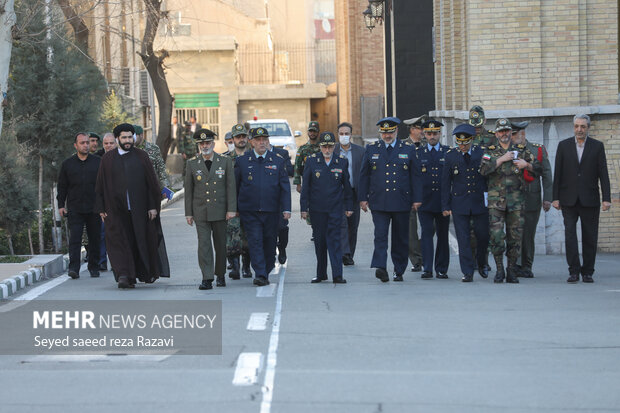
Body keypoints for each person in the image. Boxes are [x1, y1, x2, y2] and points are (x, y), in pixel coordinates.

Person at [95, 123, 170, 289]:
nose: (128, 141)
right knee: (119, 242)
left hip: (140, 210)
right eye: (124, 138)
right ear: (117, 139)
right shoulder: (108, 159)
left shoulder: (142, 156)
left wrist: (152, 206)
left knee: (138, 241)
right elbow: (100, 185)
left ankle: (137, 273)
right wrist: (101, 208)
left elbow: (152, 184)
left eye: (130, 137)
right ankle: (124, 275)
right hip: (115, 210)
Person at [358, 117, 422, 282]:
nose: (387, 136)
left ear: (396, 132)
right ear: (380, 133)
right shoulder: (372, 149)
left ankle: (398, 269)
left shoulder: (407, 149)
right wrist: (362, 198)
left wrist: (417, 198)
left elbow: (415, 176)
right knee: (380, 235)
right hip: (379, 201)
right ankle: (380, 267)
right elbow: (364, 175)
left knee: (400, 237)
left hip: (401, 201)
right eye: (384, 133)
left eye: (390, 132)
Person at [480, 118, 541, 284]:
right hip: (496, 204)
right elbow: (483, 170)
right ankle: (499, 270)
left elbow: (539, 169)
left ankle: (511, 270)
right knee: (497, 237)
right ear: (497, 133)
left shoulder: (521, 151)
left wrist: (526, 165)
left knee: (515, 238)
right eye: (501, 131)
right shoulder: (490, 150)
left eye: (507, 131)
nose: (504, 134)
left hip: (516, 203)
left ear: (510, 133)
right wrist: (502, 159)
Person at [552, 114, 611, 283]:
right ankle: (574, 271)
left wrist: (606, 198)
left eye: (583, 127)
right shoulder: (563, 146)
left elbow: (603, 174)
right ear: (573, 127)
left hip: (590, 199)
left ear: (588, 128)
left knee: (590, 236)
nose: (579, 129)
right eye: (577, 126)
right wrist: (555, 198)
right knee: (570, 236)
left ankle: (588, 272)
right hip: (568, 199)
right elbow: (558, 174)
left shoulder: (597, 146)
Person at [234, 127, 291, 286]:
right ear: (251, 142)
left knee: (269, 242)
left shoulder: (278, 160)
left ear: (268, 141)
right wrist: (235, 209)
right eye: (258, 140)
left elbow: (285, 187)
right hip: (250, 211)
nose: (261, 142)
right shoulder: (242, 161)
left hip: (272, 210)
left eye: (264, 140)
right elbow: (236, 187)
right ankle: (260, 273)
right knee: (255, 241)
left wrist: (286, 208)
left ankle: (265, 269)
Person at [185, 129, 236, 290]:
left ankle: (220, 274)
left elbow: (230, 187)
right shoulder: (192, 163)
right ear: (199, 145)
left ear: (213, 144)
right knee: (204, 245)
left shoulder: (225, 161)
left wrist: (231, 209)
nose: (205, 146)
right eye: (202, 143)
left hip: (220, 210)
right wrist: (189, 213)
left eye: (207, 143)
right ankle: (207, 277)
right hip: (201, 211)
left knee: (220, 245)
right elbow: (189, 191)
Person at [301, 132, 353, 283]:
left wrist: (349, 206)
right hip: (317, 210)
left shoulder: (341, 162)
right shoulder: (311, 161)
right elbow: (306, 187)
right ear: (320, 147)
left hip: (335, 209)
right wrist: (304, 208)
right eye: (324, 147)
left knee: (335, 242)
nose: (327, 150)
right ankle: (321, 273)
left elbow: (347, 186)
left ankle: (337, 274)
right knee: (320, 243)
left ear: (334, 146)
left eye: (330, 146)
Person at [441, 124, 489, 282]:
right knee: (463, 238)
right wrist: (445, 205)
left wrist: (490, 201)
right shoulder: (451, 156)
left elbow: (487, 179)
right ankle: (467, 271)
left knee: (483, 236)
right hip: (459, 202)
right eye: (460, 142)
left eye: (466, 142)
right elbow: (446, 183)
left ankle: (482, 263)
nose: (462, 145)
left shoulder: (481, 153)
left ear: (472, 140)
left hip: (479, 202)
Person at [57, 132, 102, 279]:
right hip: (75, 208)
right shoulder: (68, 164)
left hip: (94, 208)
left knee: (95, 239)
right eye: (82, 143)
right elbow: (62, 186)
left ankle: (94, 267)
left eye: (87, 143)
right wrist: (61, 205)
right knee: (75, 240)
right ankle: (74, 269)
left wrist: (104, 205)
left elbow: (103, 185)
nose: (86, 145)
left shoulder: (97, 162)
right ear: (75, 145)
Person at [511, 121, 552, 278]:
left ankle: (526, 266)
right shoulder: (507, 150)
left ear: (523, 134)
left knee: (528, 234)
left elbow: (546, 173)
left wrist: (548, 198)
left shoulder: (537, 149)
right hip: (512, 198)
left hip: (531, 197)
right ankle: (513, 265)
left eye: (515, 134)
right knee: (513, 233)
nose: (513, 137)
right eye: (512, 134)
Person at [417, 119, 451, 279]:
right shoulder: (418, 153)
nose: (432, 136)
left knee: (443, 235)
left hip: (443, 201)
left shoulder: (447, 152)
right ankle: (427, 268)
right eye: (429, 133)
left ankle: (442, 268)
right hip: (424, 201)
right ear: (424, 134)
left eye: (435, 133)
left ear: (440, 134)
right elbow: (414, 178)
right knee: (426, 233)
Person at [226, 124, 253, 279]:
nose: (241, 140)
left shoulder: (253, 157)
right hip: (231, 205)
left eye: (243, 136)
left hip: (249, 205)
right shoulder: (225, 159)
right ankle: (235, 267)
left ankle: (246, 267)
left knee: (247, 238)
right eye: (238, 137)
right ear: (233, 139)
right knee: (232, 239)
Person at [336, 122, 364, 266]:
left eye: (347, 134)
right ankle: (344, 253)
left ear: (351, 135)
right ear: (337, 135)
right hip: (337, 194)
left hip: (354, 193)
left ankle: (349, 254)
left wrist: (365, 197)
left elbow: (365, 175)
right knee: (341, 224)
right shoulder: (332, 150)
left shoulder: (360, 152)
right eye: (341, 134)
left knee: (353, 226)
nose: (344, 136)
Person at [402, 115, 427, 272]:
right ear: (412, 130)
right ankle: (416, 259)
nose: (424, 131)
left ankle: (421, 249)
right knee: (410, 229)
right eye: (420, 128)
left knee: (430, 227)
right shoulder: (403, 146)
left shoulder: (427, 145)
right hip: (409, 194)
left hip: (427, 193)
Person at [268, 134, 294, 265]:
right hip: (264, 200)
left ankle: (282, 247)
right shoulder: (252, 155)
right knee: (268, 230)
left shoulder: (281, 153)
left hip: (279, 198)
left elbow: (290, 171)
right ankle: (270, 253)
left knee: (282, 228)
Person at [98, 132, 117, 271]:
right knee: (104, 233)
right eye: (106, 143)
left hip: (121, 203)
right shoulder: (98, 159)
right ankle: (102, 261)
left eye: (111, 143)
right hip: (106, 204)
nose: (109, 146)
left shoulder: (121, 158)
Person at [134, 124, 170, 191]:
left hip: (152, 187)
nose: (132, 138)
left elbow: (161, 169)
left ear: (141, 135)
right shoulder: (129, 150)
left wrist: (166, 187)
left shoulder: (153, 148)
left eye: (134, 135)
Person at [293, 121, 321, 193]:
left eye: (314, 131)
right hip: (307, 180)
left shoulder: (322, 148)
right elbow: (297, 166)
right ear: (308, 132)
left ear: (318, 132)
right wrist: (298, 184)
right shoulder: (302, 149)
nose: (312, 133)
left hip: (321, 180)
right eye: (310, 131)